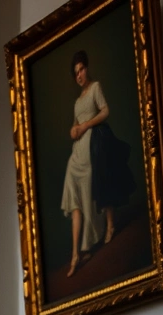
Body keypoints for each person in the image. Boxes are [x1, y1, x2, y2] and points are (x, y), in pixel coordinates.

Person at [61, 49, 132, 276]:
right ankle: (76, 253)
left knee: (98, 183)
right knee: (74, 200)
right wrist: (74, 129)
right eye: (76, 73)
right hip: (77, 152)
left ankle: (105, 228)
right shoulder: (76, 101)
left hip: (94, 144)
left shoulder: (95, 88)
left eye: (81, 69)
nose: (80, 75)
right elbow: (75, 125)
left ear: (87, 68)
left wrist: (85, 126)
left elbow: (106, 111)